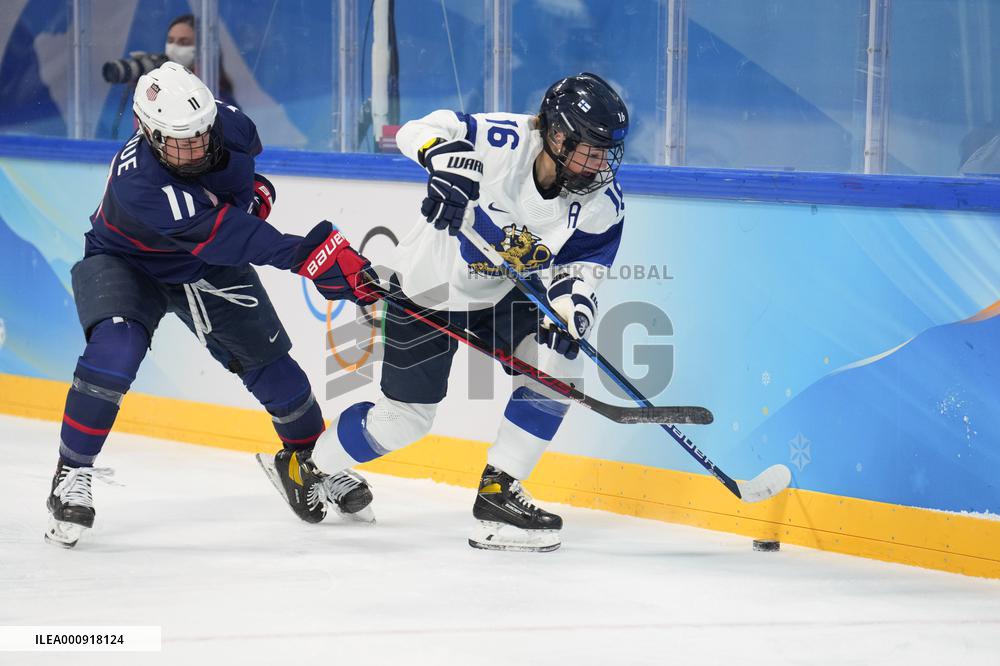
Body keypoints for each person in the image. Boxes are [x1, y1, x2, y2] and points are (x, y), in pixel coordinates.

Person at [45, 62, 379, 548]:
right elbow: (232, 237)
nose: (196, 147)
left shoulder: (229, 124)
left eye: (201, 134)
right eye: (180, 142)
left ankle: (309, 462)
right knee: (115, 351)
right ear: (148, 131)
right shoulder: (141, 181)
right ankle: (71, 473)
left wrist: (252, 192)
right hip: (126, 263)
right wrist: (308, 256)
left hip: (202, 262)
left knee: (274, 367)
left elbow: (246, 174)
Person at [310, 72, 629, 552]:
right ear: (557, 136)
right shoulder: (502, 142)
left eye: (608, 151)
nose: (601, 164)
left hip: (501, 292)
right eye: (591, 149)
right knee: (404, 421)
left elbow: (582, 267)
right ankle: (311, 467)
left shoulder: (602, 202)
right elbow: (419, 128)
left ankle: (499, 493)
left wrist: (571, 307)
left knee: (558, 366)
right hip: (429, 290)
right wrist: (443, 160)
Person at [164, 14, 238, 108]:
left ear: (203, 49)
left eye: (184, 42)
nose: (173, 48)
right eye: (170, 41)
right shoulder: (161, 83)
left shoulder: (219, 98)